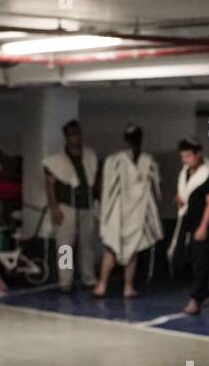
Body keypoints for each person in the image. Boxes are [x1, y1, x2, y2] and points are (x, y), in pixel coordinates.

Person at [95, 123, 162, 299]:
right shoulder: (116, 160)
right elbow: (108, 188)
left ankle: (127, 286)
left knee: (133, 249)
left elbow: (155, 186)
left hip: (138, 211)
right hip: (120, 210)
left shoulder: (147, 161)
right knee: (112, 248)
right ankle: (102, 284)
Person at [167, 137, 209, 315]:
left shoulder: (208, 175)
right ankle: (201, 289)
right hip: (186, 220)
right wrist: (179, 199)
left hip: (201, 223)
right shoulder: (185, 172)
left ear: (198, 155)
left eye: (188, 156)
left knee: (200, 260)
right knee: (178, 256)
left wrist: (203, 227)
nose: (185, 160)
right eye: (183, 156)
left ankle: (196, 298)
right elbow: (185, 193)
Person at [43, 119, 99, 293]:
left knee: (88, 244)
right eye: (72, 134)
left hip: (87, 206)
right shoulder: (56, 161)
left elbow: (94, 183)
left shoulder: (90, 156)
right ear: (66, 138)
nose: (77, 137)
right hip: (66, 207)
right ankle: (65, 280)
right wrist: (54, 208)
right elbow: (49, 185)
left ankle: (88, 277)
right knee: (65, 245)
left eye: (78, 133)